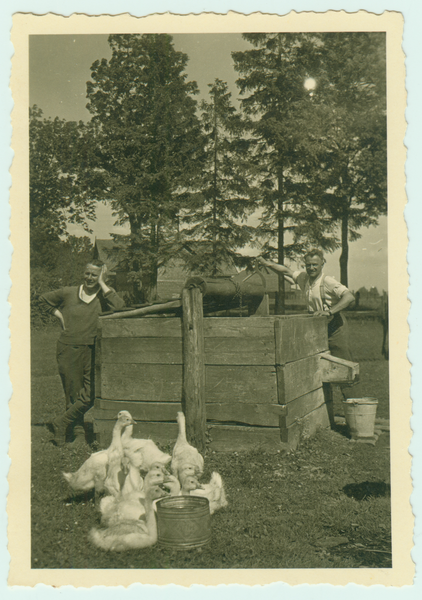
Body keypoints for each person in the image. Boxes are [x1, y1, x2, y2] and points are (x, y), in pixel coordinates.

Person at [40, 259, 125, 447]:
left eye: (95, 275)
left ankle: (61, 422)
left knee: (92, 392)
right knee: (72, 392)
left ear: (101, 276)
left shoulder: (104, 295)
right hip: (68, 347)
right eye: (87, 273)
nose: (89, 277)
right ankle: (75, 432)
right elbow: (43, 299)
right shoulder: (68, 292)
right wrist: (59, 315)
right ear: (83, 273)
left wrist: (103, 284)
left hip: (94, 349)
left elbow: (120, 306)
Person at [257, 250, 360, 398]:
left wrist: (330, 312)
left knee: (343, 367)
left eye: (315, 265)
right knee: (317, 368)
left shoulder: (327, 281)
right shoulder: (304, 278)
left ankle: (355, 407)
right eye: (308, 265)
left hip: (335, 326)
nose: (311, 268)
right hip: (316, 328)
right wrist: (267, 263)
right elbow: (285, 270)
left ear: (322, 264)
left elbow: (349, 297)